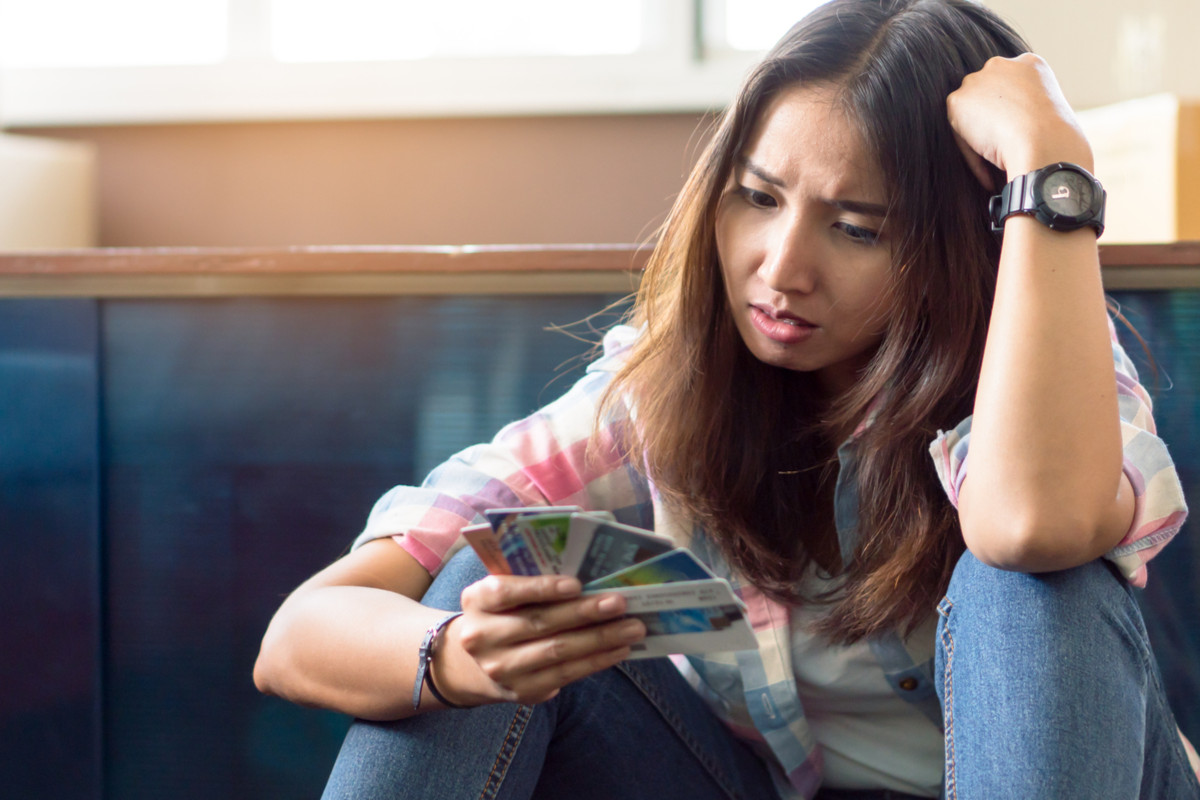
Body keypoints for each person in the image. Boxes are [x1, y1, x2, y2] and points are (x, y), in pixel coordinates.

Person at [253, 1, 1200, 797]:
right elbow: (299, 635)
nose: (781, 268)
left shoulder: (1054, 369)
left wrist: (1049, 159)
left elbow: (1032, 526)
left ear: (956, 244)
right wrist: (462, 660)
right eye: (757, 197)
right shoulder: (658, 394)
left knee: (1034, 582)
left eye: (858, 229)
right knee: (479, 596)